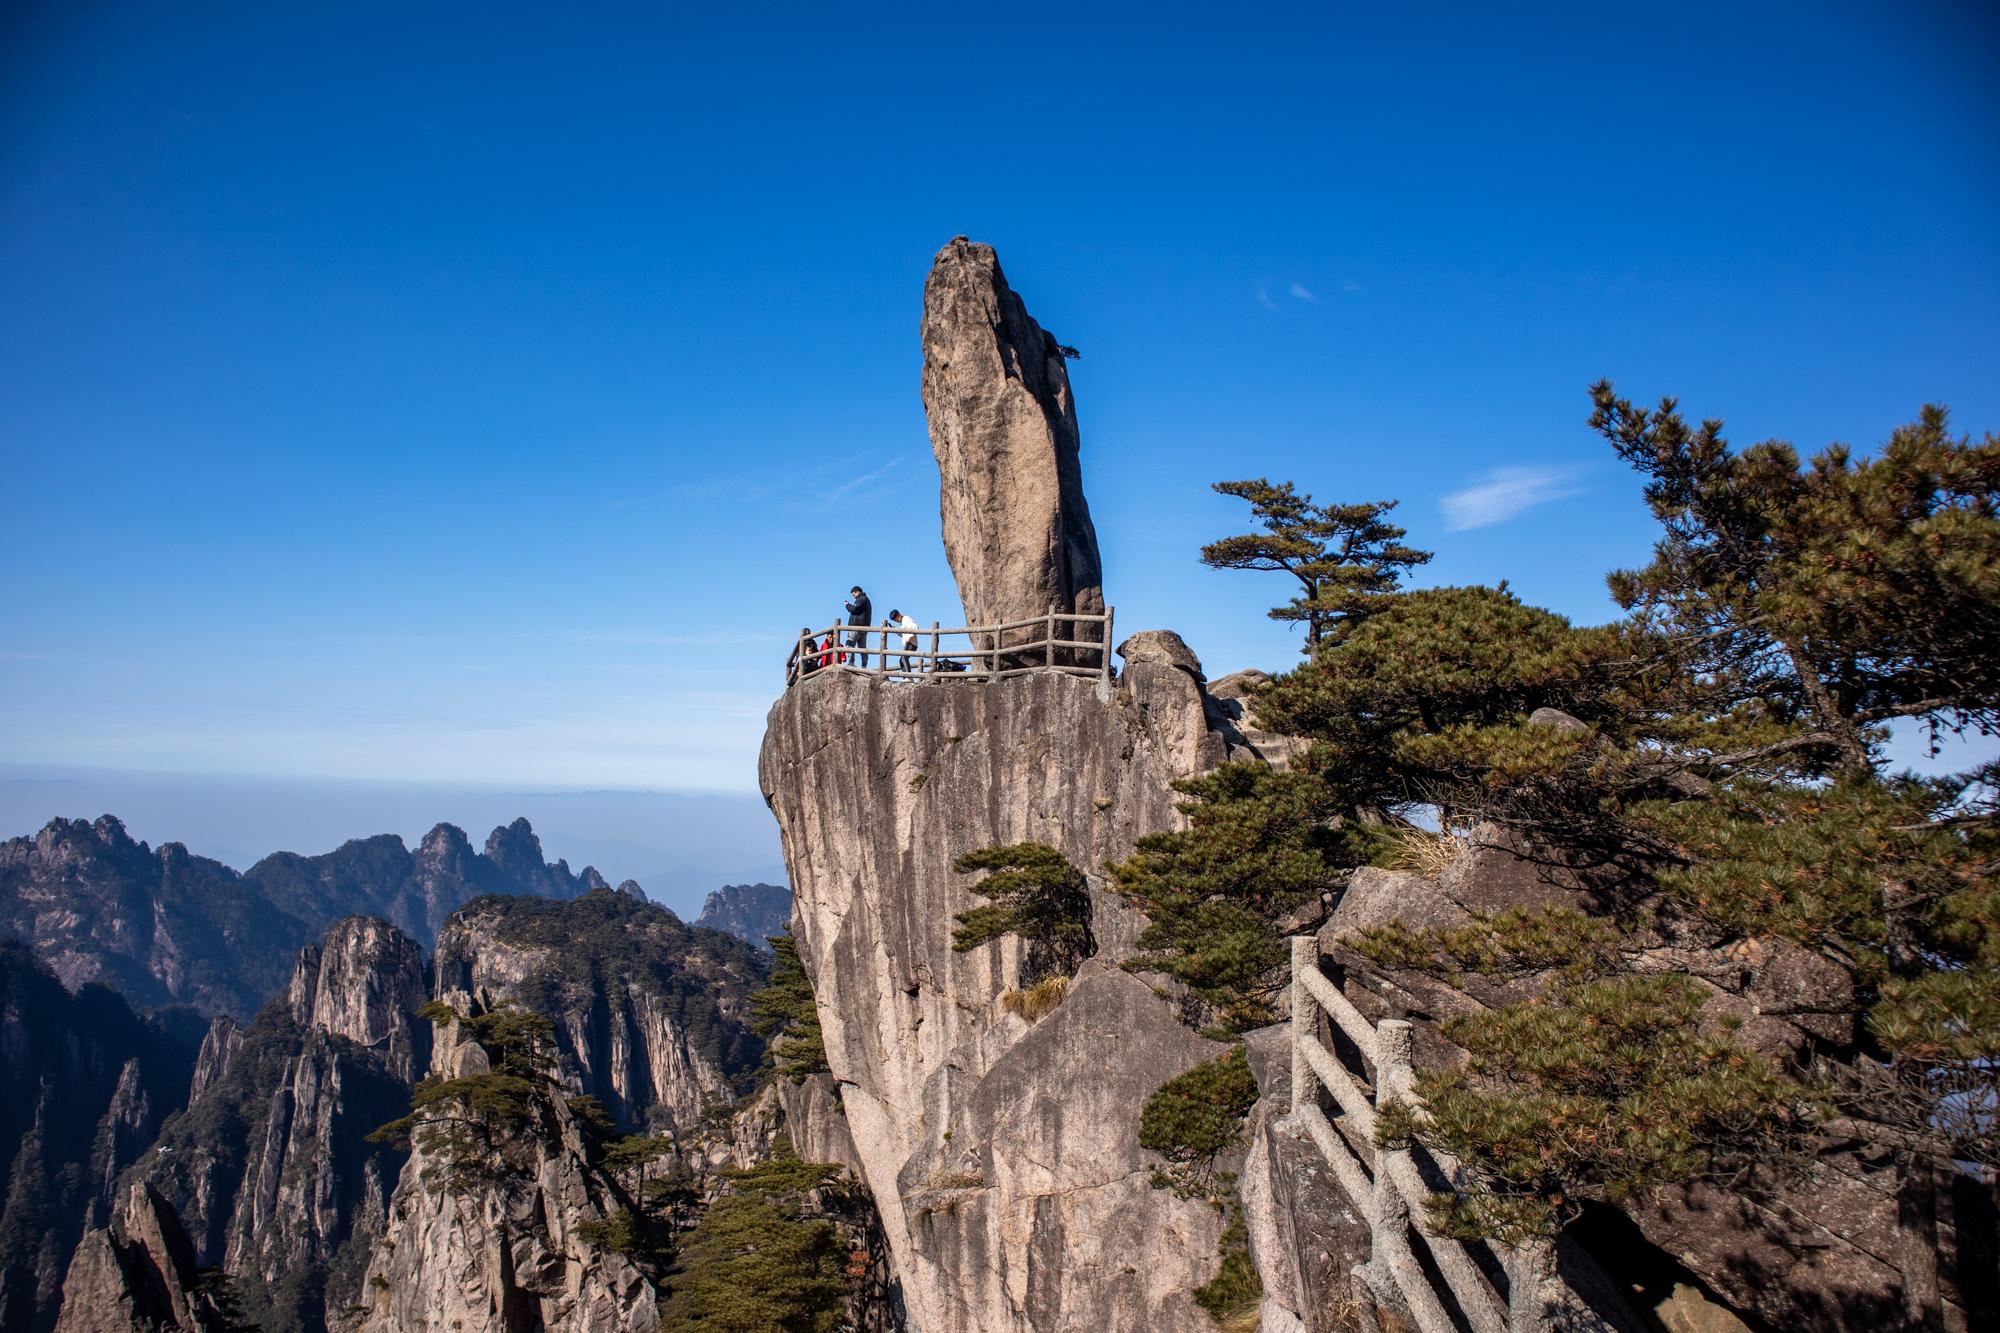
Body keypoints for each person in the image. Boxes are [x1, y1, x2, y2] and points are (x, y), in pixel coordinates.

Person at [844, 585, 873, 669]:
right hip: (863, 627)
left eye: (853, 594)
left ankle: (851, 663)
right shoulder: (865, 600)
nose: (853, 596)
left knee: (849, 644)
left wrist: (847, 605)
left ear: (857, 592)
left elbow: (854, 610)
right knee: (862, 648)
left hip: (856, 627)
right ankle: (864, 665)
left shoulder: (861, 599)